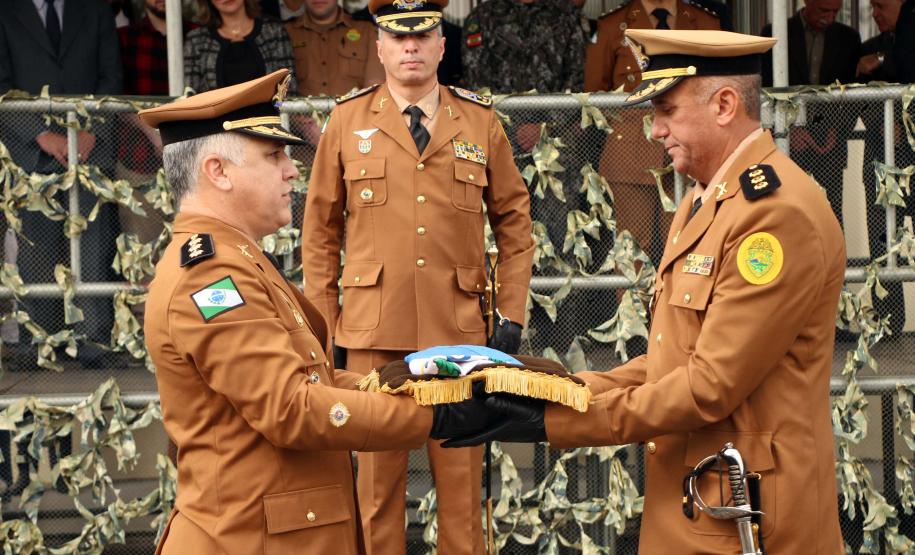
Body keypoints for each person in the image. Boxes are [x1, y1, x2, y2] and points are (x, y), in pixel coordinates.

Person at [441, 29, 847, 554]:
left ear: (725, 105)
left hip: (747, 517)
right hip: (701, 502)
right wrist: (555, 391)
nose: (653, 130)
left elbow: (709, 385)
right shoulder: (707, 198)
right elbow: (670, 361)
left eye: (667, 110)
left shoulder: (773, 214)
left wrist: (554, 421)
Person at [138, 69, 475, 554]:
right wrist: (436, 416)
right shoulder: (210, 275)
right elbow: (292, 407)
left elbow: (313, 384)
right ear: (218, 171)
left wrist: (425, 386)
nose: (292, 170)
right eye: (273, 156)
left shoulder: (238, 257)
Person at [300, 0, 535, 552]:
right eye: (397, 37)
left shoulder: (479, 121)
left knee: (462, 493)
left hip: (458, 335)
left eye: (422, 36)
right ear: (379, 47)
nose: (410, 47)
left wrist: (511, 314)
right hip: (371, 334)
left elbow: (516, 226)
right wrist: (324, 328)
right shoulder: (347, 120)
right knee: (376, 495)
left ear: (441, 46)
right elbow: (319, 233)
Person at [0, 0, 122, 495]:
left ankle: (92, 340)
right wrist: (41, 135)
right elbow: (3, 86)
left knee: (95, 241)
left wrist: (93, 132)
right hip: (31, 151)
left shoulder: (94, 10)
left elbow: (112, 78)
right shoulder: (5, 12)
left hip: (91, 148)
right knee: (36, 245)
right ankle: (38, 344)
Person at [761, 0, 861, 224]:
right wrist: (790, 129)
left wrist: (837, 132)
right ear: (807, 2)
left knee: (832, 214)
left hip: (831, 144)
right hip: (787, 141)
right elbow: (766, 89)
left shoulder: (849, 38)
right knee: (786, 211)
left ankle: (833, 260)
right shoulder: (775, 33)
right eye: (824, 10)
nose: (830, 17)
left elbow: (852, 94)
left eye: (836, 12)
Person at [858, 0, 914, 337]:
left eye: (881, 5)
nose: (875, 14)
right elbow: (857, 96)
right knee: (883, 242)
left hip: (911, 159)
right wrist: (883, 126)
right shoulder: (867, 50)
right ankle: (890, 325)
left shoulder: (891, 51)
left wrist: (880, 62)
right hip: (880, 160)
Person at [183, 0, 296, 93]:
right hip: (217, 120)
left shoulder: (274, 31)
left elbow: (289, 88)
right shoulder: (197, 40)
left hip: (269, 118)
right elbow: (191, 94)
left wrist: (278, 114)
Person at [285, 0, 383, 97]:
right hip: (296, 112)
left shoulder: (366, 31)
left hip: (353, 111)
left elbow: (375, 87)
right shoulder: (285, 32)